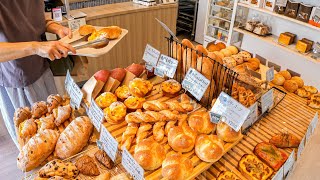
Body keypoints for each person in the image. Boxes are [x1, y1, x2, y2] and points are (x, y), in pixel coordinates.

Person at [0, 0, 76, 147]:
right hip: (18, 79)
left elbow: (33, 18)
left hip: (41, 67)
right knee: (35, 145)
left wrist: (55, 27)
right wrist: (35, 47)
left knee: (57, 131)